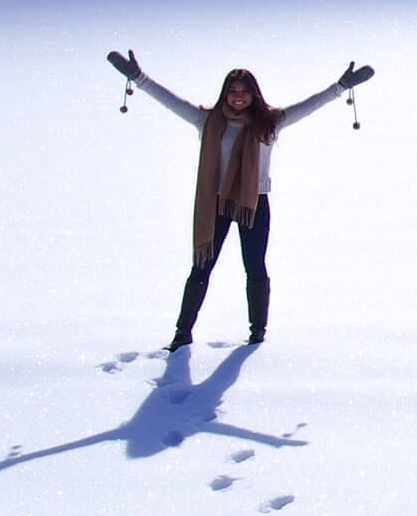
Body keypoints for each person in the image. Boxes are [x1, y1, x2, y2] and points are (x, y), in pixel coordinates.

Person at [106, 50, 374, 349]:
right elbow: (170, 101)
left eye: (244, 92)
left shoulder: (271, 121)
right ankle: (182, 334)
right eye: (232, 91)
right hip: (216, 204)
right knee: (201, 267)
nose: (237, 97)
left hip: (254, 205)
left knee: (255, 266)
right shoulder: (207, 120)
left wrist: (340, 86)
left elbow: (309, 106)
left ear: (254, 94)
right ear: (225, 93)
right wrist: (139, 79)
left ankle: (257, 334)